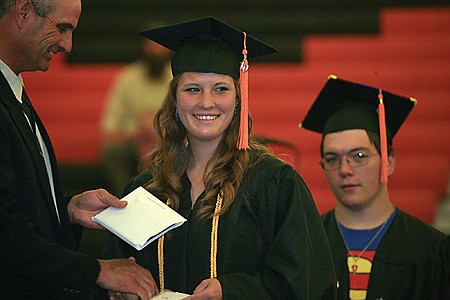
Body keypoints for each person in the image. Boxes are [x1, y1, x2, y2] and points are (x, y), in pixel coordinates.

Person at [101, 17, 337, 299]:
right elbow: (114, 272)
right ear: (175, 100)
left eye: (220, 89)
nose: (206, 102)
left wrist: (232, 291)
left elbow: (306, 281)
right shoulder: (145, 191)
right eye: (192, 89)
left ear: (238, 99)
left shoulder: (274, 184)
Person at [0, 0, 157, 299]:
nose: (67, 45)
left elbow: (14, 198)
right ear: (23, 13)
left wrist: (65, 209)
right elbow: (5, 232)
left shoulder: (13, 88)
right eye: (61, 28)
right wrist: (98, 271)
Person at [300, 75, 450, 300]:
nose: (344, 169)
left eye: (359, 156)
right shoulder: (306, 246)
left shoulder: (434, 250)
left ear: (388, 162)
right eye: (332, 159)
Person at [101, 25, 173, 196]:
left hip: (168, 141)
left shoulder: (176, 78)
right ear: (144, 48)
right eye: (152, 47)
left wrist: (158, 133)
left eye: (161, 48)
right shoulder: (128, 77)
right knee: (112, 151)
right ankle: (124, 199)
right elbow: (109, 126)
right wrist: (139, 133)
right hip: (133, 141)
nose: (156, 52)